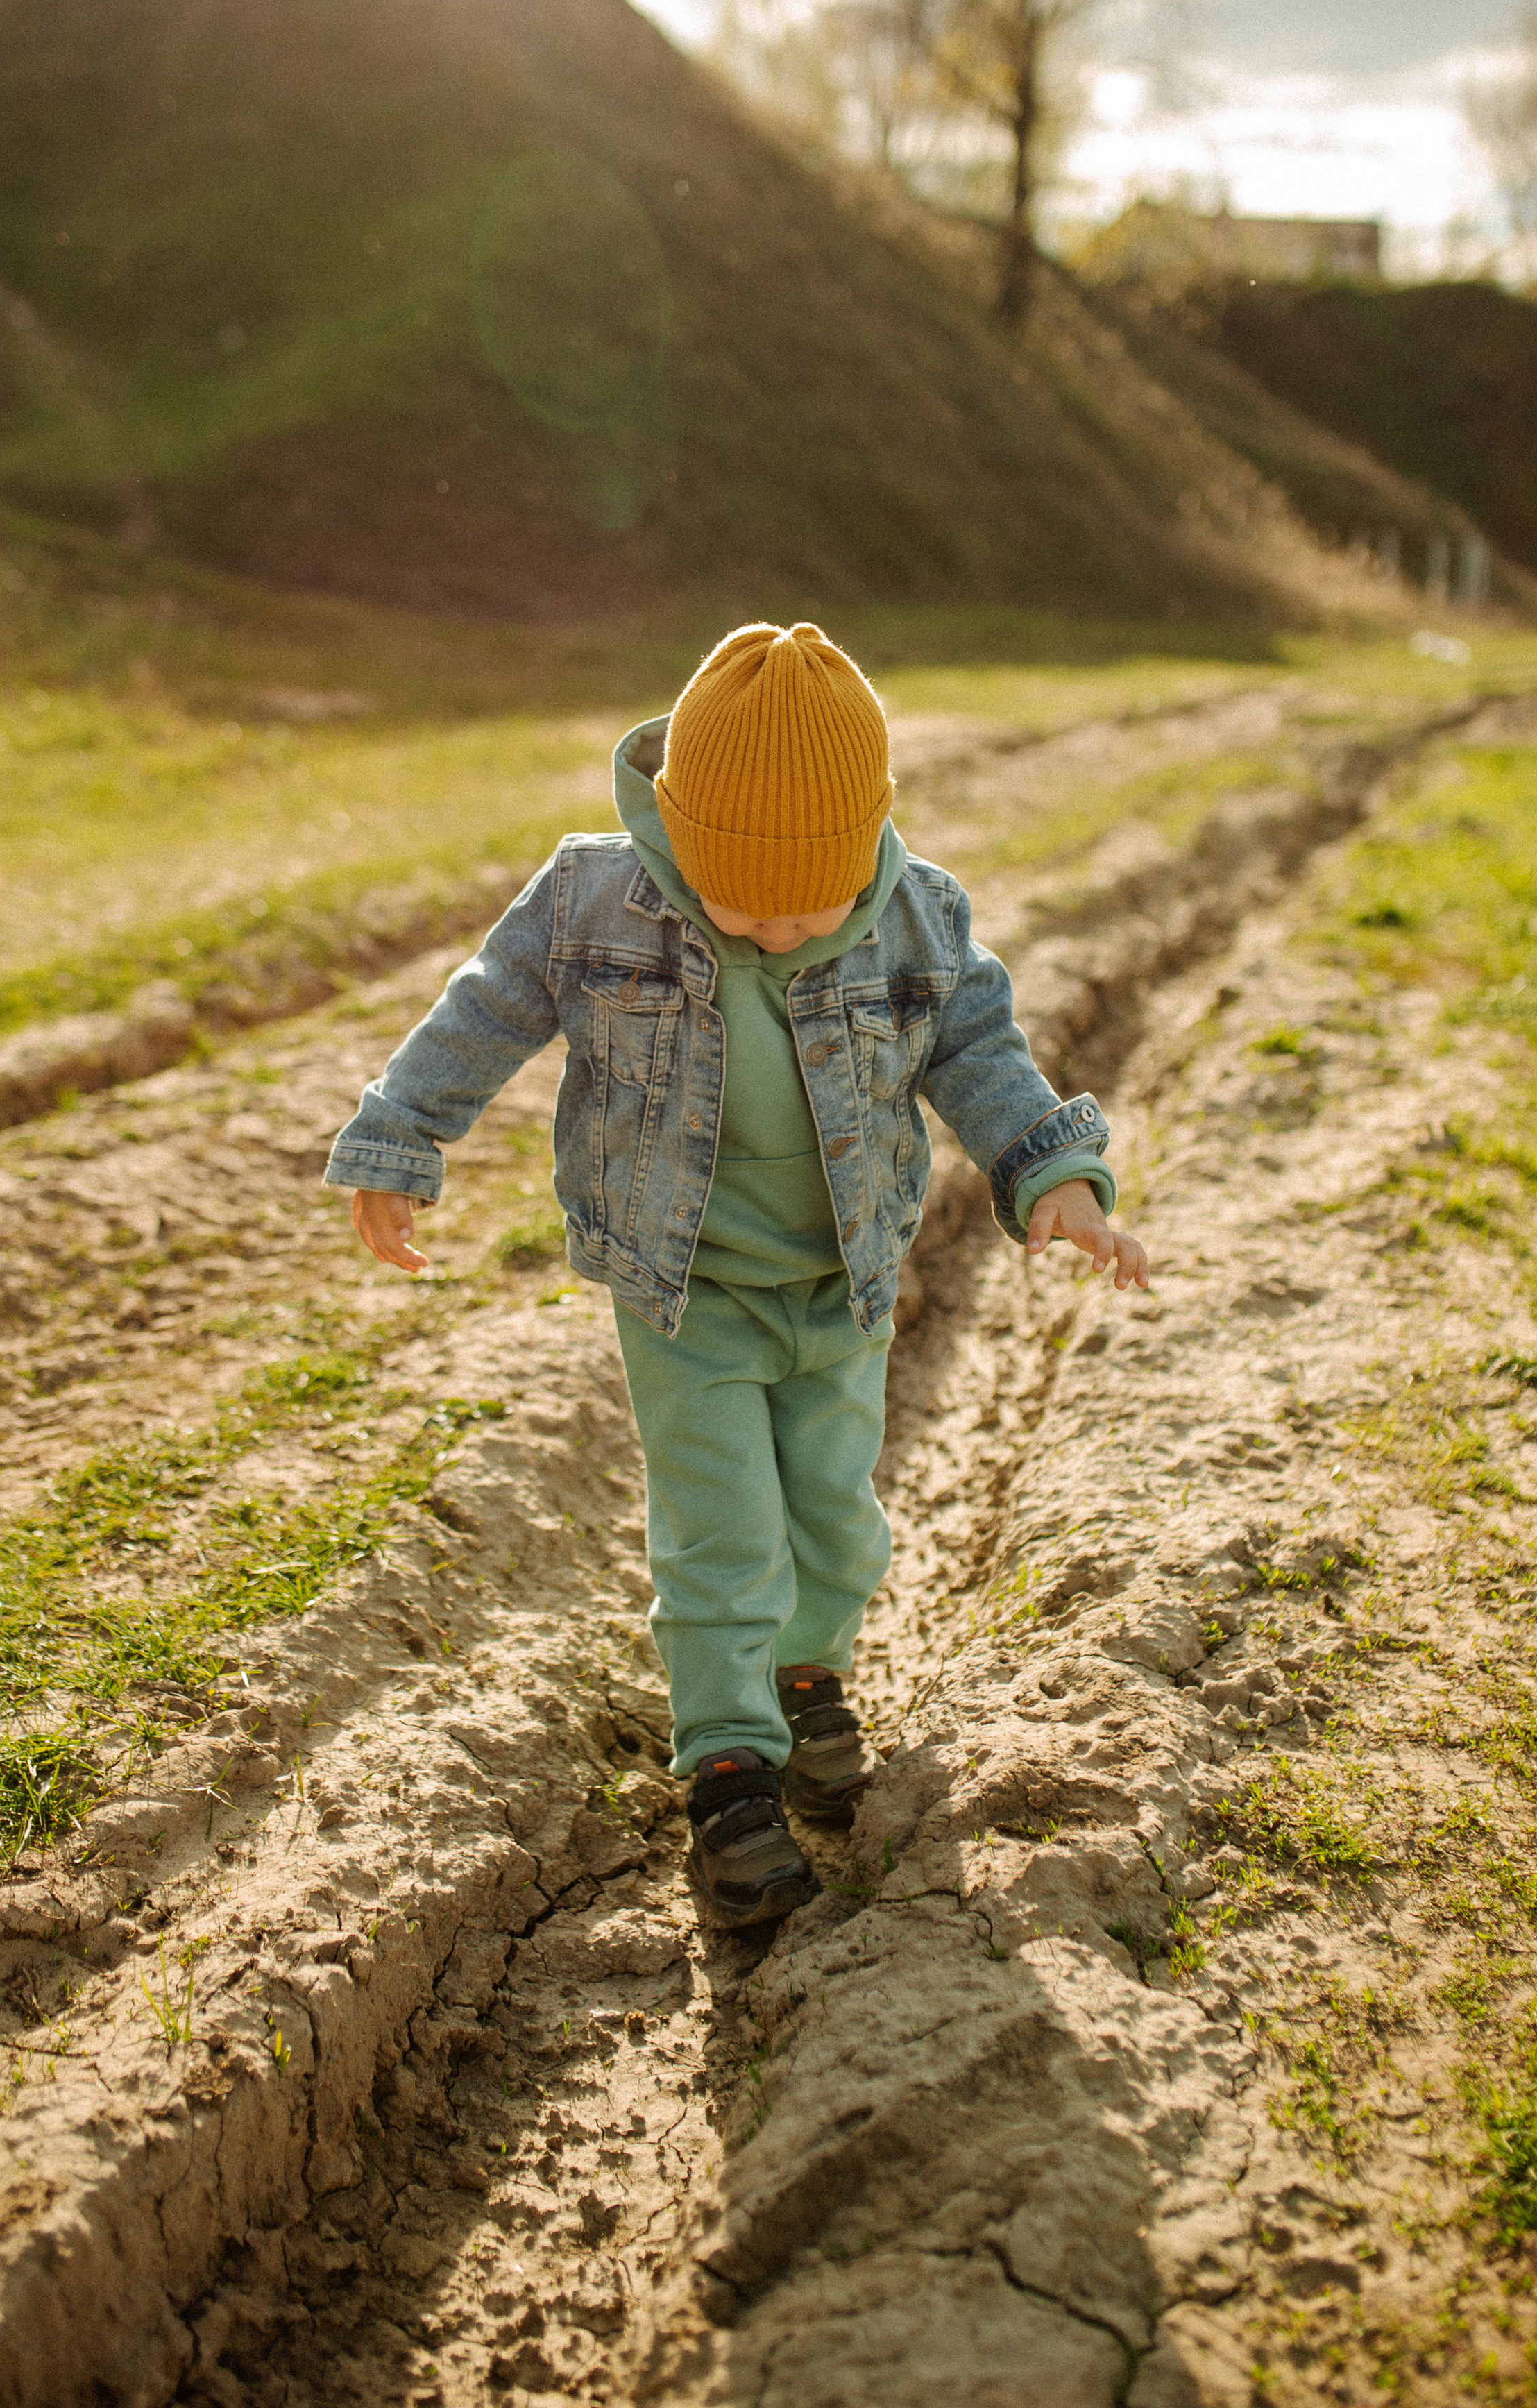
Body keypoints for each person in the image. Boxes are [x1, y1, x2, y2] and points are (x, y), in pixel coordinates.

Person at [325, 624, 1149, 1930]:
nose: (771, 929)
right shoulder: (597, 898)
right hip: (685, 1283)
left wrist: (1055, 1180)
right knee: (724, 1530)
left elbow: (983, 1054)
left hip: (842, 1280)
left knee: (833, 1516)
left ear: (864, 852)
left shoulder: (915, 916)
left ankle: (810, 1675)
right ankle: (726, 1762)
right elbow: (483, 1008)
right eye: (737, 905)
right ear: (675, 832)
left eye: (805, 913)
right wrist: (401, 1136)